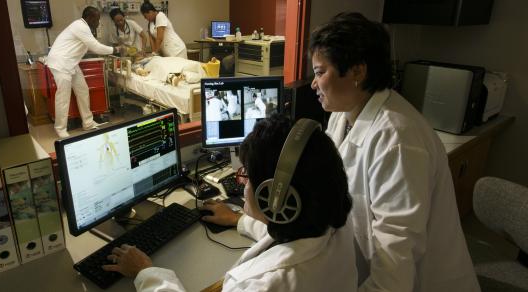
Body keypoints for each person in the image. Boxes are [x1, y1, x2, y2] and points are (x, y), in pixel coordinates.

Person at [309, 12, 480, 292]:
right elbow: (326, 193)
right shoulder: (344, 114)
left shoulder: (398, 140)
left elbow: (394, 274)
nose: (314, 84)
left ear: (357, 71)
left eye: (319, 72)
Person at [102, 114, 357, 291]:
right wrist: (239, 219)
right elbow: (291, 241)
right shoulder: (334, 228)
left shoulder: (260, 286)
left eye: (246, 175)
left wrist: (145, 272)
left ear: (274, 199)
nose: (242, 183)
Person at [47, 6, 120, 138]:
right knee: (63, 97)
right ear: (90, 18)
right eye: (97, 19)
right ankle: (60, 128)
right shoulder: (80, 26)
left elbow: (90, 46)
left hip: (71, 63)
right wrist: (115, 50)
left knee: (82, 90)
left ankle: (88, 122)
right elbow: (95, 47)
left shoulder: (85, 28)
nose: (98, 23)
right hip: (61, 63)